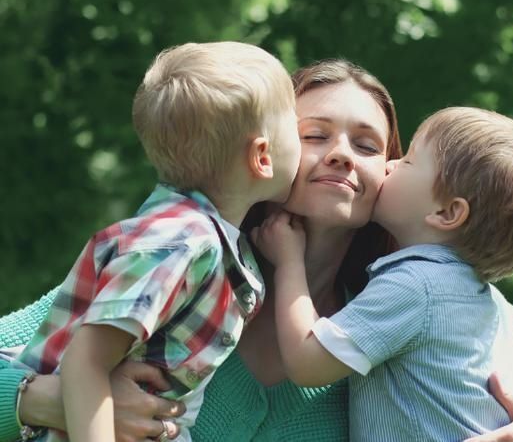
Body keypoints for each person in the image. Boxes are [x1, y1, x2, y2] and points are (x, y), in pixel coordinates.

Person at [0, 60, 513, 442]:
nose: (340, 154)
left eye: (367, 144)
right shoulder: (175, 268)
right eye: (312, 135)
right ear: (262, 153)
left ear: (393, 176)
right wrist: (44, 402)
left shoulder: (394, 308)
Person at [6, 41, 300, 442]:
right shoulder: (177, 242)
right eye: (300, 126)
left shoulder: (212, 245)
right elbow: (84, 361)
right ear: (262, 157)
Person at [251, 106, 513, 441]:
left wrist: (289, 262)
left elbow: (307, 362)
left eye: (409, 161)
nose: (391, 165)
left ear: (447, 212)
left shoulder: (413, 287)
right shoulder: (474, 292)